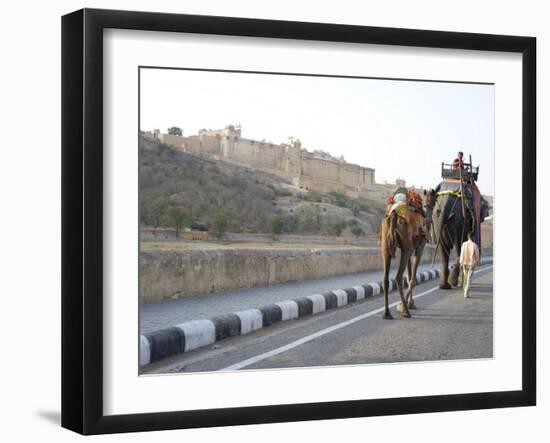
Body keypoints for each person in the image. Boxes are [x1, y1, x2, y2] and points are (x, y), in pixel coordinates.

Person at [459, 231, 481, 298]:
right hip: (471, 264)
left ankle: (465, 290)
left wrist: (461, 262)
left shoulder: (464, 244)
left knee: (466, 277)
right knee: (469, 278)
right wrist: (478, 262)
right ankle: (466, 291)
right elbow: (477, 255)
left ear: (468, 237)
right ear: (473, 237)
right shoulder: (474, 245)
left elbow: (462, 254)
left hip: (464, 264)